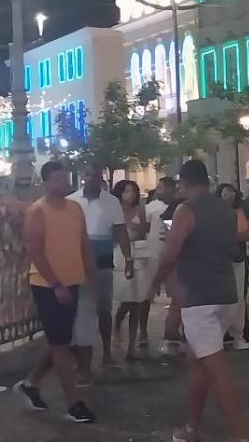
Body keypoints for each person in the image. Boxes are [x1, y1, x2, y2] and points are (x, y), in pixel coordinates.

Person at [148, 158, 249, 442]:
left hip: (199, 297)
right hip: (225, 293)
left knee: (215, 368)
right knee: (197, 361)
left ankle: (242, 437)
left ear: (183, 183)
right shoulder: (225, 209)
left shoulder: (186, 210)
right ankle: (191, 429)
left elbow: (171, 253)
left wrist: (155, 283)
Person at [16, 159, 98, 423]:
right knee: (61, 344)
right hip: (47, 285)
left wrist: (91, 275)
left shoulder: (74, 208)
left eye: (65, 179)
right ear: (46, 182)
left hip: (73, 281)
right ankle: (74, 403)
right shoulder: (38, 211)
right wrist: (55, 284)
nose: (63, 184)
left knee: (59, 340)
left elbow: (84, 243)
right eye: (57, 180)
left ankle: (31, 383)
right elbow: (34, 251)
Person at [69, 163, 133, 377]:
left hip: (103, 261)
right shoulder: (72, 201)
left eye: (95, 175)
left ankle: (106, 353)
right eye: (88, 174)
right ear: (82, 176)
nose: (91, 178)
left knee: (104, 309)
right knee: (79, 310)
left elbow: (121, 231)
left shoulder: (112, 202)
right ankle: (78, 357)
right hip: (77, 262)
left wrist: (128, 258)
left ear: (101, 177)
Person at [111, 180, 149, 359]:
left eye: (133, 192)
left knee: (137, 302)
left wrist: (135, 231)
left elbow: (144, 232)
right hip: (120, 256)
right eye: (126, 192)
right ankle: (117, 326)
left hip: (138, 255)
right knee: (125, 300)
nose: (130, 195)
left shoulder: (140, 211)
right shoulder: (114, 211)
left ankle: (132, 346)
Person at [141, 177, 178, 347]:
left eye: (161, 187)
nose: (158, 190)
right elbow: (145, 230)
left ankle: (174, 330)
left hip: (174, 256)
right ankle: (142, 331)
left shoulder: (180, 206)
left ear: (170, 189)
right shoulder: (151, 208)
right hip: (153, 254)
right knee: (146, 294)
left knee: (177, 295)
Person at [217, 182, 249, 350]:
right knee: (219, 298)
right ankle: (221, 334)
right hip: (219, 259)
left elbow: (245, 233)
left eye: (231, 193)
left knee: (238, 297)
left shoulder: (239, 212)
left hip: (237, 258)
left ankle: (238, 333)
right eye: (224, 193)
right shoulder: (215, 212)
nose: (228, 196)